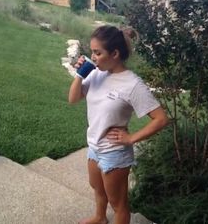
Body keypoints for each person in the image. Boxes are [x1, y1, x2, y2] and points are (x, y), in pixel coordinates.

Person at [68, 25, 169, 224]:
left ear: (114, 53)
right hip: (94, 146)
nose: (93, 57)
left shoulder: (132, 84)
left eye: (97, 52)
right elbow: (73, 99)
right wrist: (80, 74)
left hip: (115, 153)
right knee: (97, 188)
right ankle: (99, 217)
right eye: (92, 52)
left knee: (119, 204)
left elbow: (161, 119)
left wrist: (131, 138)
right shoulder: (97, 73)